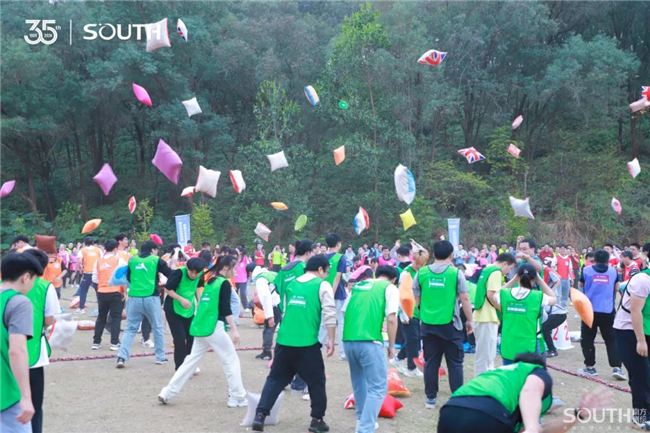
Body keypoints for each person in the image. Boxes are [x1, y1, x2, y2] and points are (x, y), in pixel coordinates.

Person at [252, 255, 336, 432]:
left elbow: (285, 309)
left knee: (275, 379)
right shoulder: (322, 285)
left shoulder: (292, 284)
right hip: (307, 342)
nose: (327, 275)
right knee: (316, 381)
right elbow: (329, 313)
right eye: (327, 271)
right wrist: (331, 339)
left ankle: (260, 415)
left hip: (284, 340)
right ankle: (317, 420)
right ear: (320, 269)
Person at [438, 352, 613, 433]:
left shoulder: (499, 376)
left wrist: (577, 415)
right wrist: (531, 427)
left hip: (449, 413)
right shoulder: (536, 371)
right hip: (488, 416)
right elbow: (531, 389)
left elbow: (542, 430)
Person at [158, 255, 246, 407]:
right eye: (235, 268)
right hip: (213, 327)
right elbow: (226, 309)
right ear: (226, 267)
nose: (236, 272)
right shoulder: (224, 283)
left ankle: (167, 392)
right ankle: (237, 397)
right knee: (231, 360)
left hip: (200, 327)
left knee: (190, 361)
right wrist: (235, 330)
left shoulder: (211, 281)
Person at [414, 240, 473, 408]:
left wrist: (424, 313)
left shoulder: (421, 273)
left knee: (431, 362)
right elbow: (465, 298)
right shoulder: (456, 273)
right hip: (450, 325)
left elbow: (416, 299)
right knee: (455, 363)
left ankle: (430, 399)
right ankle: (457, 400)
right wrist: (470, 320)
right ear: (451, 255)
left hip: (428, 325)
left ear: (433, 254)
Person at [342, 266, 399, 433]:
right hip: (370, 341)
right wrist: (391, 346)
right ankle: (365, 429)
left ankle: (362, 421)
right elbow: (392, 319)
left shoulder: (359, 286)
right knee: (378, 388)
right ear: (394, 279)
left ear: (376, 274)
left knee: (359, 383)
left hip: (349, 340)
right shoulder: (389, 288)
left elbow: (345, 311)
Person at [1, 253, 43, 433]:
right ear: (26, 277)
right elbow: (17, 351)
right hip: (6, 394)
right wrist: (26, 397)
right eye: (34, 280)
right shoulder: (19, 302)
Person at [20, 249, 59, 433]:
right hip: (33, 353)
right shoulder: (45, 287)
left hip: (6, 355)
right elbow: (49, 320)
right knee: (34, 405)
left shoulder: (4, 285)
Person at [116, 241, 172, 368]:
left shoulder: (132, 260)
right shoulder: (156, 260)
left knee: (130, 329)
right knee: (157, 327)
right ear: (153, 249)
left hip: (134, 297)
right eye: (156, 250)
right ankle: (160, 357)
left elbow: (128, 278)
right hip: (151, 297)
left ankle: (121, 357)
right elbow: (170, 274)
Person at [271, 238, 313, 398]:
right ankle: (299, 383)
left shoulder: (284, 269)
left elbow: (275, 289)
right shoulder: (303, 269)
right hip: (301, 314)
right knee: (303, 349)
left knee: (286, 350)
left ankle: (281, 381)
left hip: (286, 314)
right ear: (308, 252)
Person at [490, 264, 557, 364]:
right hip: (530, 345)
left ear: (518, 277)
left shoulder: (505, 294)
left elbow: (495, 295)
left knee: (510, 373)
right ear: (533, 280)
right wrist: (540, 280)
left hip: (509, 345)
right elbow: (554, 299)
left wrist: (513, 279)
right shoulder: (538, 296)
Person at [578, 249, 625, 380]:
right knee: (611, 340)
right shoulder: (613, 271)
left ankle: (590, 367)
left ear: (594, 259)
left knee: (587, 339)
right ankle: (617, 367)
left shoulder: (586, 270)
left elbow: (580, 285)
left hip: (589, 311)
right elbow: (617, 288)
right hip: (607, 310)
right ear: (608, 259)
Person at [613, 266, 650, 429]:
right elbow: (636, 311)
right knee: (641, 376)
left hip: (646, 329)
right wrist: (640, 341)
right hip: (629, 331)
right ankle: (640, 417)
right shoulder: (643, 280)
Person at [473, 253, 516, 376]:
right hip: (487, 317)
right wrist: (503, 310)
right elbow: (491, 295)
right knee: (486, 356)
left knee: (484, 354)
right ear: (504, 264)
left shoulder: (487, 269)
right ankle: (482, 381)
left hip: (481, 316)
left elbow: (497, 291)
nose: (509, 272)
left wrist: (514, 280)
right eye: (510, 268)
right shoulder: (496, 272)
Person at [160, 257, 204, 370]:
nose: (193, 275)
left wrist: (199, 302)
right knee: (180, 340)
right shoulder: (178, 273)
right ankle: (180, 369)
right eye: (191, 272)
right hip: (173, 308)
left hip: (189, 309)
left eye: (196, 273)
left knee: (192, 338)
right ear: (187, 268)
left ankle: (189, 365)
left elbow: (197, 287)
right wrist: (181, 299)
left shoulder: (200, 274)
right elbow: (167, 289)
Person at [390, 243, 426, 377]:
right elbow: (401, 294)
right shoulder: (406, 273)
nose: (420, 266)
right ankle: (411, 368)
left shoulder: (421, 272)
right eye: (418, 263)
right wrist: (404, 314)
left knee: (414, 339)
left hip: (417, 311)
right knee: (413, 340)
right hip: (407, 311)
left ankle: (398, 359)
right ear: (413, 260)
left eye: (422, 264)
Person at [91, 240, 127, 351]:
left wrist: (103, 283)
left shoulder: (98, 261)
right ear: (115, 249)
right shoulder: (119, 260)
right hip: (115, 291)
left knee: (101, 317)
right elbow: (123, 277)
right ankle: (114, 343)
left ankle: (96, 342)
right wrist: (124, 292)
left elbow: (94, 278)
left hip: (102, 291)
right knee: (116, 318)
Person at [322, 233, 347, 361]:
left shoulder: (323, 258)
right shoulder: (341, 257)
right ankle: (343, 353)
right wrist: (332, 294)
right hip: (337, 294)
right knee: (341, 322)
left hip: (324, 293)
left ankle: (318, 349)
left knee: (323, 322)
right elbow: (338, 277)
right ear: (338, 244)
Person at [250, 265, 278, 360]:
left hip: (274, 305)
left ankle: (267, 352)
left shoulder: (260, 279)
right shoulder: (272, 274)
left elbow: (266, 297)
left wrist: (270, 316)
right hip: (282, 304)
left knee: (268, 329)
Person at [76, 236, 101, 314]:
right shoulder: (98, 250)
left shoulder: (82, 250)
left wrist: (79, 269)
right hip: (97, 273)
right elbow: (102, 260)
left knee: (83, 290)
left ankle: (81, 308)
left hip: (87, 273)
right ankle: (101, 308)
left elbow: (79, 261)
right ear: (93, 242)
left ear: (85, 243)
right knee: (98, 291)